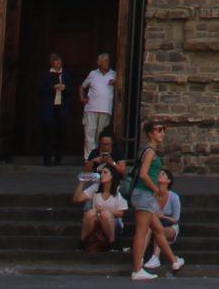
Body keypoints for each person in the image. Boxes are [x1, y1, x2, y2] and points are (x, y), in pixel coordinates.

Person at [125, 118, 181, 280]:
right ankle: (137, 269)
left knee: (156, 229)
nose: (161, 133)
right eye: (158, 130)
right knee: (141, 232)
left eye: (163, 130)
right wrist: (156, 189)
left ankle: (174, 260)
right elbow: (143, 173)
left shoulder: (148, 150)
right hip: (144, 194)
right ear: (150, 133)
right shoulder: (149, 151)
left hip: (144, 195)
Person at [78, 165, 128, 252]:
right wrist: (82, 183)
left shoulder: (118, 190)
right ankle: (82, 242)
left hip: (113, 222)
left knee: (105, 214)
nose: (102, 175)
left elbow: (122, 213)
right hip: (96, 221)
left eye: (105, 173)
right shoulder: (96, 188)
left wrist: (104, 211)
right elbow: (78, 198)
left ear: (112, 176)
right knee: (90, 213)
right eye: (101, 173)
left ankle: (113, 244)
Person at [144, 170, 183, 273]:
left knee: (159, 229)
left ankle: (155, 257)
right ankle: (140, 256)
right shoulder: (152, 196)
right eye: (158, 173)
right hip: (153, 225)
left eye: (163, 174)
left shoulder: (173, 197)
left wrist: (163, 217)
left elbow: (176, 219)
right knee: (151, 227)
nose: (159, 175)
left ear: (168, 180)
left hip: (170, 226)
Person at [80, 54, 117, 162]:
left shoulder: (114, 74)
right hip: (91, 108)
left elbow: (121, 90)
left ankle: (101, 157)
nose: (107, 62)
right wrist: (82, 98)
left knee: (101, 135)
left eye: (108, 60)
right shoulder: (93, 74)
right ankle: (89, 158)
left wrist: (117, 83)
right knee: (89, 133)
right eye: (104, 60)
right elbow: (82, 87)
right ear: (99, 62)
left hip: (105, 109)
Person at [37, 53, 72, 167]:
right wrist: (52, 87)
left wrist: (65, 87)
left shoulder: (65, 74)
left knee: (60, 134)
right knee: (47, 135)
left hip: (61, 108)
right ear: (51, 62)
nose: (58, 63)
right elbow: (40, 90)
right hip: (49, 109)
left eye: (59, 61)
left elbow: (71, 89)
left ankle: (58, 158)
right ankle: (47, 159)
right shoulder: (45, 75)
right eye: (55, 61)